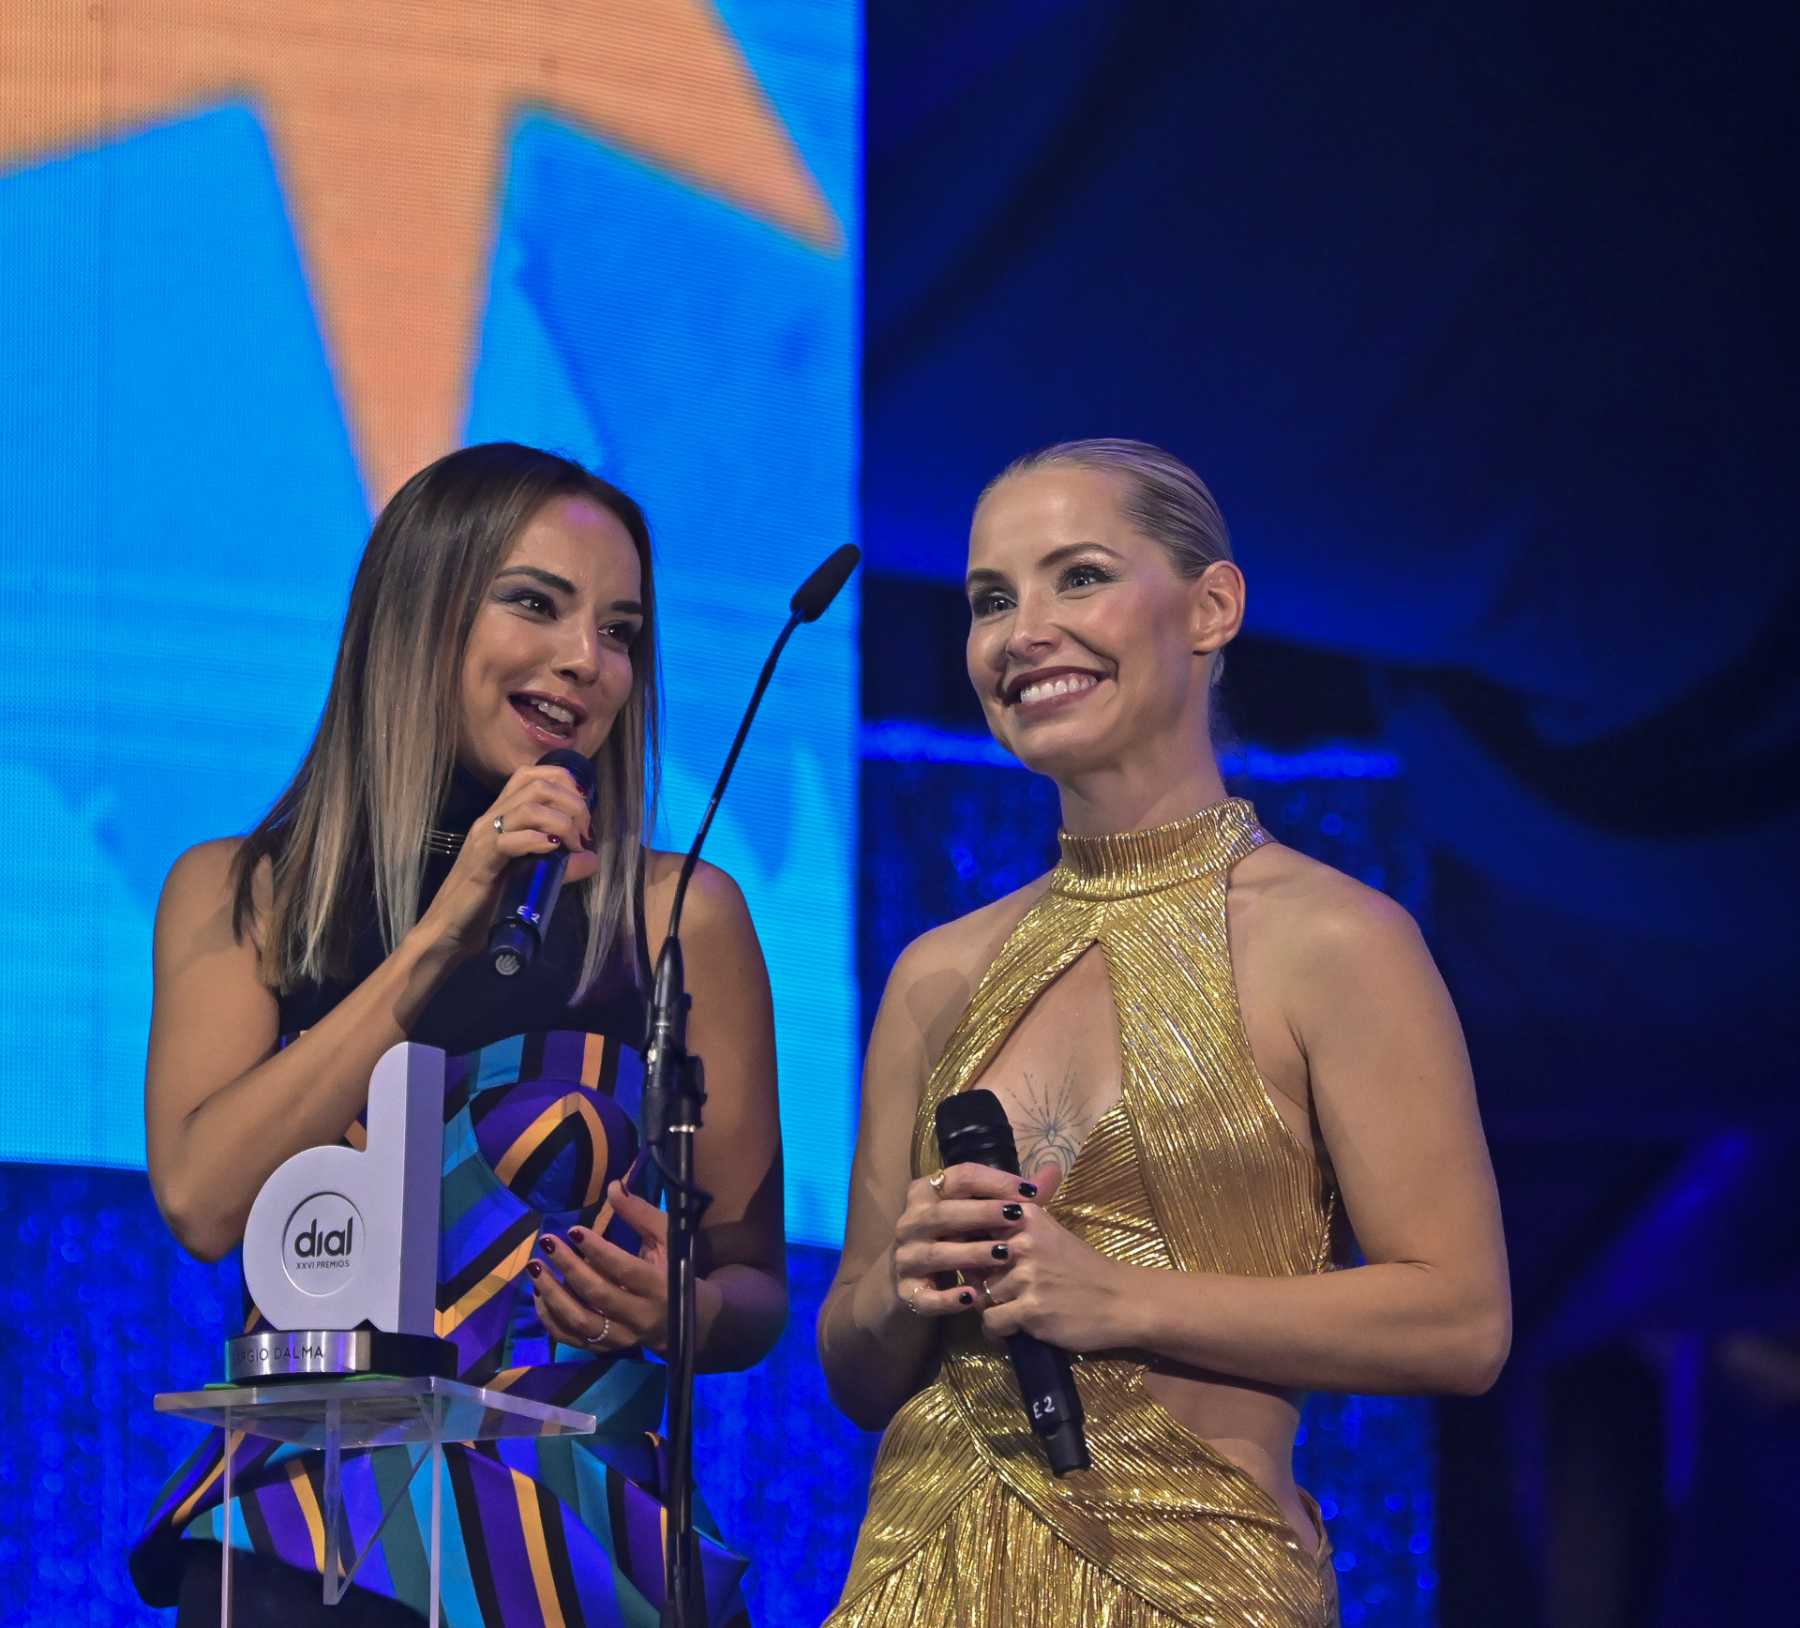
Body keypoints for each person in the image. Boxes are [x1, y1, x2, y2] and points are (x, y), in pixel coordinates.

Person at [818, 439, 1511, 1627]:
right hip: (916, 1581)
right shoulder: (937, 973)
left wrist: (1119, 1297)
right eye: (992, 598)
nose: (1022, 629)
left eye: (1077, 576)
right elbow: (856, 1365)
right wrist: (899, 1281)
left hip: (1196, 1589)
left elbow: (1460, 1319)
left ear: (1211, 606)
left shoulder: (1338, 941)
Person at [130, 442, 785, 1626]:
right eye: (537, 603)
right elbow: (200, 1197)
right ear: (419, 607)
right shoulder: (249, 892)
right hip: (315, 1538)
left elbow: (754, 1283)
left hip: (579, 1546)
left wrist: (675, 1307)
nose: (587, 661)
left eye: (623, 630)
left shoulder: (680, 913)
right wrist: (435, 941)